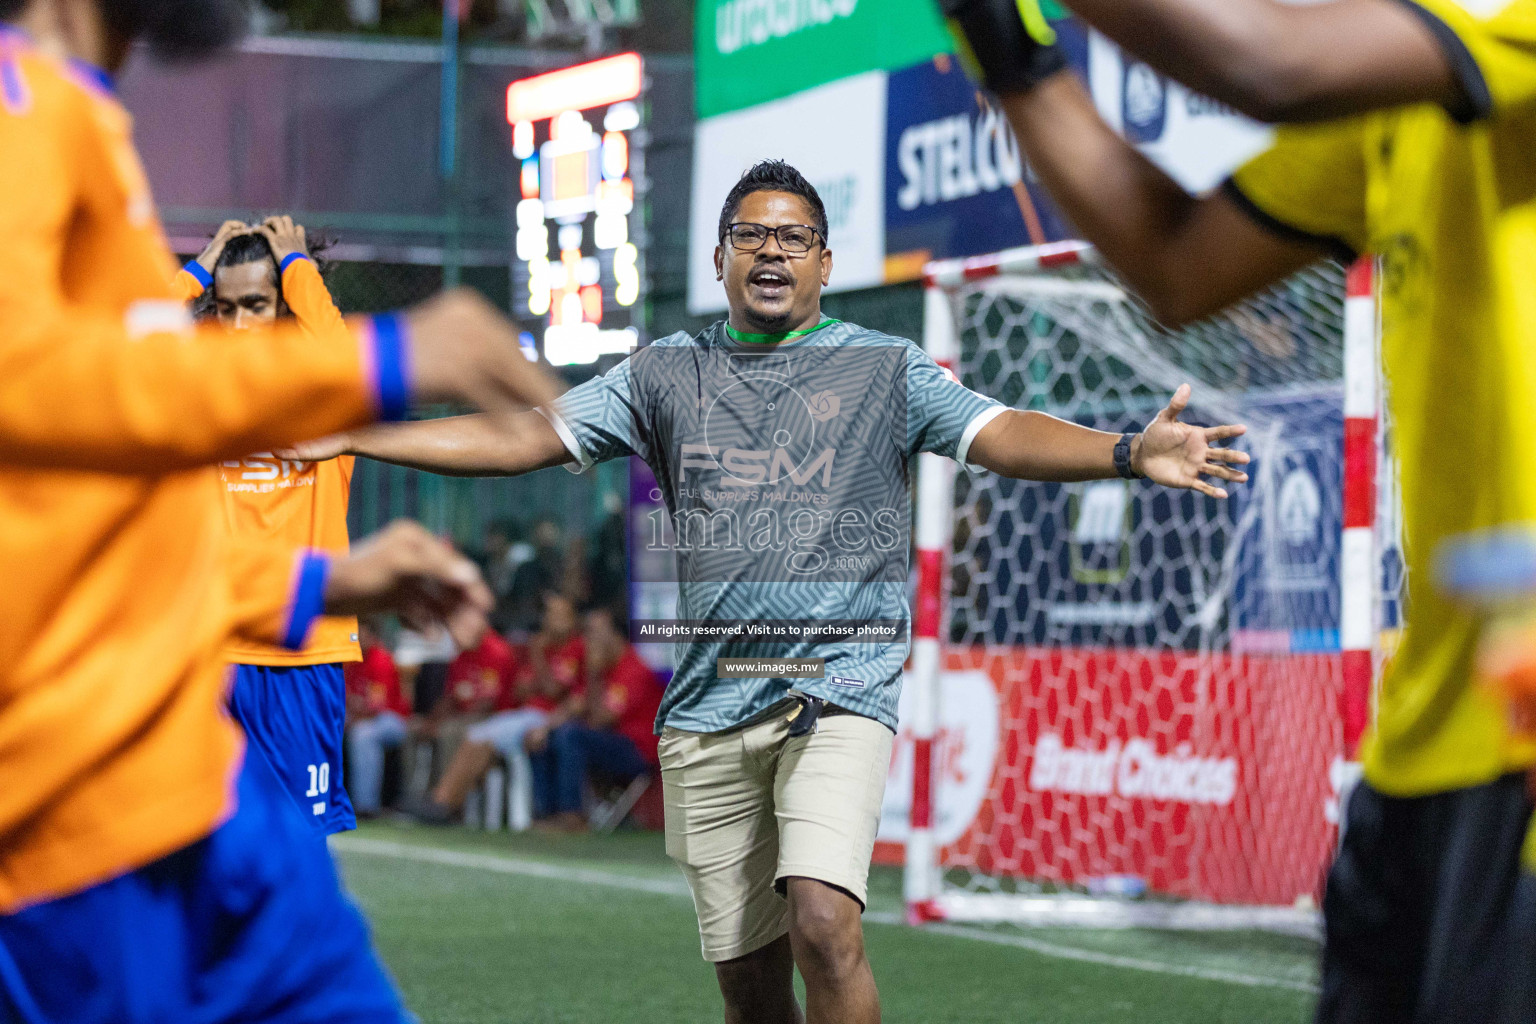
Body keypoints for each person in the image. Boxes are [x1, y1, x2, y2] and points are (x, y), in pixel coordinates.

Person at [289, 158, 1245, 1024]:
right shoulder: (664, 372)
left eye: (793, 237)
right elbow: (521, 436)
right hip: (707, 712)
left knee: (825, 926)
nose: (772, 251)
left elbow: (1000, 432)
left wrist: (1126, 451)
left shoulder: (888, 369)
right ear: (720, 260)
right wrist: (357, 434)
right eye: (752, 234)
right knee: (750, 984)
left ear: (825, 263)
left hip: (836, 692)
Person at [938, 0, 1536, 1020]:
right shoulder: (1403, 99)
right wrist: (1007, 46)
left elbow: (1265, 60)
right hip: (1428, 751)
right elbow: (1175, 260)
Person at [0, 1, 560, 1021]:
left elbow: (80, 522)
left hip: (197, 790)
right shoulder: (17, 112)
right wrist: (378, 361)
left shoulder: (80, 116)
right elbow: (34, 390)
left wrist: (318, 580)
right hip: (75, 830)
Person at [175, 215, 366, 836]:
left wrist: (297, 266)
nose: (237, 325)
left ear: (286, 309)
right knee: (190, 846)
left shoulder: (323, 403)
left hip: (299, 653)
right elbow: (128, 345)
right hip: (209, 653)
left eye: (256, 305)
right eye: (224, 308)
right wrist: (198, 269)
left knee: (298, 851)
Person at [417, 591, 586, 822]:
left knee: (477, 735)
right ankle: (443, 801)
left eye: (558, 615)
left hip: (544, 717)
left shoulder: (574, 648)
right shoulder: (546, 647)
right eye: (549, 614)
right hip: (525, 714)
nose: (550, 620)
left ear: (572, 618)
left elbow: (553, 690)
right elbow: (521, 689)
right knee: (475, 736)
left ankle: (445, 802)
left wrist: (536, 656)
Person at [529, 604, 662, 832]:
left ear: (616, 636)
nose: (590, 640)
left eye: (597, 632)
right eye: (588, 633)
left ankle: (572, 816)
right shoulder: (603, 669)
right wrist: (544, 728)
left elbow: (600, 719)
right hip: (607, 741)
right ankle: (546, 813)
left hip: (637, 751)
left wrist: (592, 672)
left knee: (571, 735)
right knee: (545, 736)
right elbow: (575, 705)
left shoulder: (634, 670)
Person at [345, 620, 413, 819]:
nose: (355, 639)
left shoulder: (380, 659)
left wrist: (351, 720)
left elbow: (375, 708)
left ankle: (365, 806)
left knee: (363, 734)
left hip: (392, 719)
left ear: (372, 635)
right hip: (360, 717)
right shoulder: (352, 661)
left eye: (360, 634)